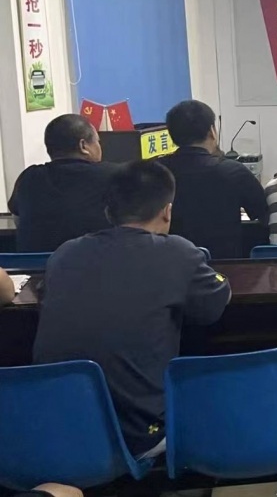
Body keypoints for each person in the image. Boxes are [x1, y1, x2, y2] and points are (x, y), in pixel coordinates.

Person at [33, 161, 231, 458]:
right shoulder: (177, 252)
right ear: (167, 211)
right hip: (138, 438)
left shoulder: (65, 253)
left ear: (108, 212)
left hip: (54, 431)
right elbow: (212, 307)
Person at [159, 100, 268, 259]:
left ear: (172, 135)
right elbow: (263, 214)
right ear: (212, 131)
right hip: (226, 267)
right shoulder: (233, 171)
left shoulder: (156, 172)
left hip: (171, 264)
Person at [7, 114, 117, 252]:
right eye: (97, 141)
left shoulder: (28, 177)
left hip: (36, 264)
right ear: (83, 146)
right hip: (94, 261)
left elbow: (17, 218)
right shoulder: (115, 176)